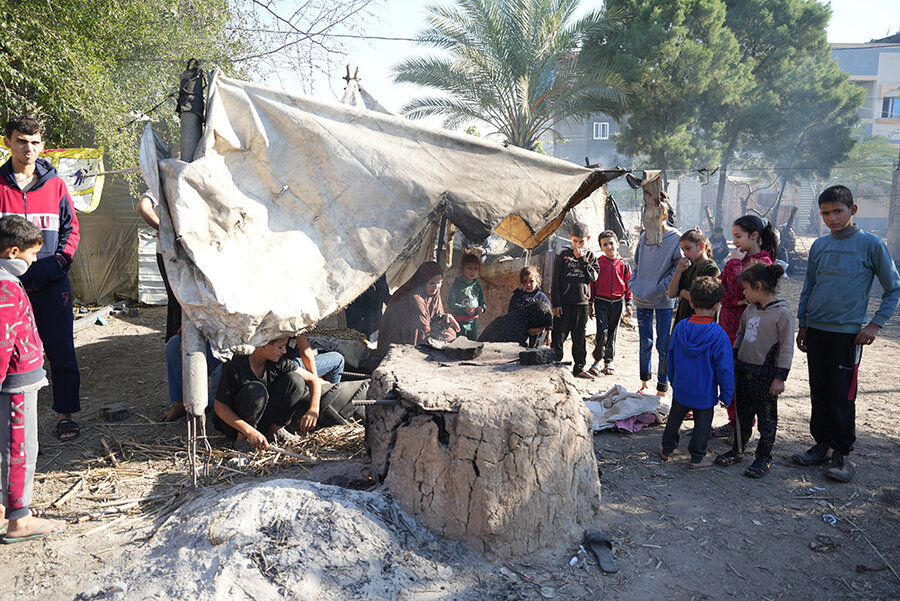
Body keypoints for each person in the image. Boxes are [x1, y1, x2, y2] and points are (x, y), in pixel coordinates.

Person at [793, 185, 900, 483]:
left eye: (837, 211)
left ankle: (843, 453)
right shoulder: (819, 246)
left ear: (853, 210)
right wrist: (803, 322)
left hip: (848, 336)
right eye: (825, 213)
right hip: (816, 331)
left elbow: (894, 288)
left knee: (843, 395)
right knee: (820, 391)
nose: (831, 218)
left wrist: (875, 324)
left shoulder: (871, 245)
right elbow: (809, 287)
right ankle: (822, 446)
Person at [0, 115, 81, 441]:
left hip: (51, 285)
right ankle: (10, 419)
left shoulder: (55, 184)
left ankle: (65, 415)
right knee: (6, 351)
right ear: (8, 141)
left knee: (61, 350)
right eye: (21, 140)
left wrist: (59, 262)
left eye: (34, 142)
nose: (28, 148)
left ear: (42, 145)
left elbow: (71, 230)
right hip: (6, 287)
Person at [0, 216, 66, 542]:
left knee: (7, 447)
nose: (36, 260)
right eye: (31, 254)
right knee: (20, 448)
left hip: (14, 380)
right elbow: (2, 341)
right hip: (15, 383)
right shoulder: (6, 288)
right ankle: (18, 519)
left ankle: (5, 506)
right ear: (13, 252)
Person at [715, 263, 794, 478]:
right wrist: (732, 358)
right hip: (744, 371)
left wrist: (780, 378)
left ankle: (763, 458)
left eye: (746, 288)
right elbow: (740, 335)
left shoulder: (782, 314)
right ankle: (738, 449)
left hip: (767, 376)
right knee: (743, 415)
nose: (743, 293)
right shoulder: (750, 310)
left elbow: (787, 347)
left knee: (766, 420)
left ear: (758, 286)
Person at [658, 277, 734, 469]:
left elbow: (671, 356)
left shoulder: (681, 327)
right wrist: (726, 395)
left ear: (691, 302)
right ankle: (697, 458)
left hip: (682, 387)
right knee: (702, 425)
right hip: (705, 393)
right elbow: (725, 369)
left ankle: (666, 450)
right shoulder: (719, 335)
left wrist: (673, 379)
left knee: (674, 419)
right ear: (717, 306)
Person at [713, 214, 777, 439]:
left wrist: (732, 264)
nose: (735, 241)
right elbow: (721, 289)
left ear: (755, 235)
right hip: (726, 327)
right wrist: (731, 298)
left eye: (738, 236)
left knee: (743, 382)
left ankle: (743, 427)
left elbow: (740, 293)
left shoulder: (762, 264)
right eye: (733, 237)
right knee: (727, 377)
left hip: (746, 332)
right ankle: (733, 422)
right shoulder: (738, 259)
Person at [213, 336, 322, 451]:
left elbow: (313, 380)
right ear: (263, 345)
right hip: (237, 426)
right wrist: (248, 431)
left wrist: (314, 410)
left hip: (263, 418)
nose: (284, 351)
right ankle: (243, 439)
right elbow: (220, 406)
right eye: (280, 347)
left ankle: (275, 430)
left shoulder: (278, 362)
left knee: (296, 380)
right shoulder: (235, 365)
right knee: (256, 391)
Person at [630, 198, 682, 395]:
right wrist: (634, 283)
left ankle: (662, 386)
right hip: (641, 298)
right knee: (645, 342)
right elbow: (636, 263)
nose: (649, 220)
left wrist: (661, 287)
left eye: (654, 216)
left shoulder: (675, 238)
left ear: (665, 216)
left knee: (663, 345)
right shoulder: (644, 237)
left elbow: (678, 268)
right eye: (647, 216)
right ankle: (645, 383)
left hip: (663, 301)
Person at [372, 261, 460, 365]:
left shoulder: (434, 294)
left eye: (439, 282)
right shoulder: (414, 298)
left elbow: (435, 319)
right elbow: (424, 331)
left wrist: (443, 317)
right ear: (422, 281)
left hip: (422, 330)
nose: (436, 287)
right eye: (432, 283)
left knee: (450, 332)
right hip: (399, 340)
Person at [550, 222, 599, 379]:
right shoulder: (562, 254)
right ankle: (554, 364)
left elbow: (594, 277)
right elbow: (555, 280)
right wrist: (556, 303)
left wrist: (582, 259)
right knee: (559, 335)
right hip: (564, 303)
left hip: (581, 304)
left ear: (588, 239)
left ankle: (579, 368)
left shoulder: (590, 256)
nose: (578, 245)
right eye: (575, 241)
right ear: (570, 238)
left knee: (579, 338)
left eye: (582, 241)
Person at [136, 190, 181, 342]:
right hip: (170, 253)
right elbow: (143, 207)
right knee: (179, 301)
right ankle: (177, 346)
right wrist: (164, 229)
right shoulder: (159, 186)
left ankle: (173, 344)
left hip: (175, 252)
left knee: (176, 301)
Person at [588, 230, 632, 376]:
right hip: (601, 302)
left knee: (612, 333)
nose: (609, 247)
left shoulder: (624, 265)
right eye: (605, 244)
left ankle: (608, 361)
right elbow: (592, 285)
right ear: (601, 247)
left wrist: (628, 305)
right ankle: (597, 360)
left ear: (617, 244)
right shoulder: (598, 263)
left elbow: (628, 286)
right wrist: (590, 304)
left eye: (611, 243)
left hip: (617, 302)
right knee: (602, 332)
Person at [668, 227, 720, 329]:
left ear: (701, 246)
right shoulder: (688, 267)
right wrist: (678, 270)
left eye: (688, 248)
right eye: (683, 249)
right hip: (683, 322)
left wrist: (682, 292)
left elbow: (702, 301)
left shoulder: (711, 269)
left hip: (701, 325)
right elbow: (671, 293)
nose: (685, 253)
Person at [479, 300, 552, 346]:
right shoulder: (512, 326)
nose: (542, 331)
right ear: (531, 323)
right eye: (539, 328)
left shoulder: (526, 321)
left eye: (544, 328)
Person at [447, 253, 486, 341]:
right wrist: (464, 309)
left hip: (473, 322)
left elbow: (482, 303)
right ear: (462, 269)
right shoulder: (457, 285)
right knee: (459, 344)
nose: (473, 272)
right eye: (469, 268)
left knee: (471, 344)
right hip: (459, 322)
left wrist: (481, 309)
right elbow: (450, 303)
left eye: (476, 269)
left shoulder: (477, 286)